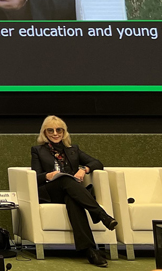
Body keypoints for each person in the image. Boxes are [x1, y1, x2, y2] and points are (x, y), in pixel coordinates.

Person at [31, 115, 117, 268]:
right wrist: (48, 175)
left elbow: (97, 163)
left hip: (71, 192)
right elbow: (35, 177)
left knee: (73, 200)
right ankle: (101, 215)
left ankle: (90, 251)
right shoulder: (38, 151)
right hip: (51, 191)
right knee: (65, 180)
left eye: (59, 130)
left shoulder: (73, 150)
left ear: (64, 132)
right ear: (44, 133)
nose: (55, 133)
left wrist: (84, 169)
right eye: (50, 130)